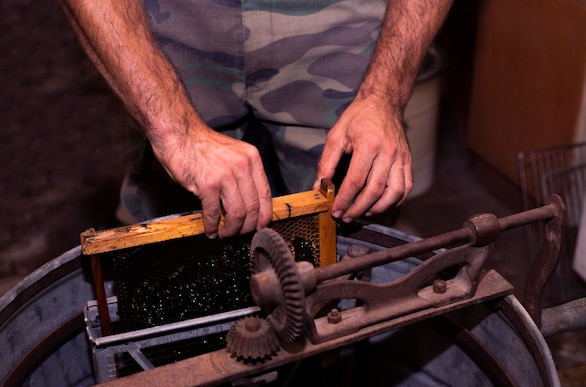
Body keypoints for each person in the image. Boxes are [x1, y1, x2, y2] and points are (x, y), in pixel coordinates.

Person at [57, 0, 453, 239]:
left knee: (355, 220)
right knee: (180, 244)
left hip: (338, 24)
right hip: (172, 21)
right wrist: (174, 131)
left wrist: (383, 95)